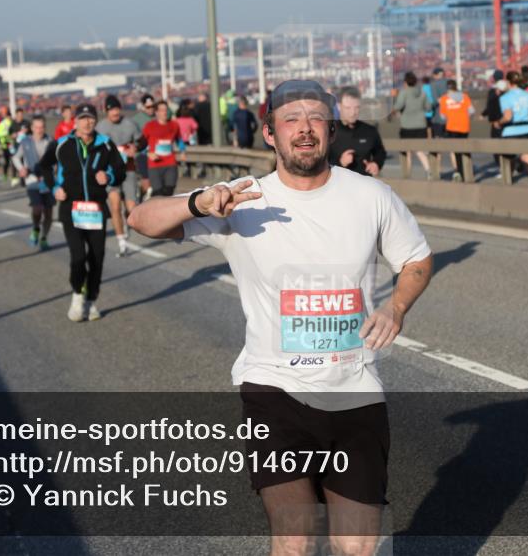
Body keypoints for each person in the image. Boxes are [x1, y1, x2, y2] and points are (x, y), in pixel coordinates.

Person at [126, 79, 433, 555]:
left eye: (315, 119)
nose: (304, 129)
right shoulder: (240, 200)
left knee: (358, 547)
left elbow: (415, 260)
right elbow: (139, 220)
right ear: (270, 134)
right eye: (291, 119)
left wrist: (396, 307)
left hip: (354, 389)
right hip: (273, 390)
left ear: (330, 131)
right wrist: (198, 202)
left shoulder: (372, 196)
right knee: (294, 539)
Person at [40, 102, 126, 322]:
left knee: (97, 258)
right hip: (71, 209)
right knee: (78, 257)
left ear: (95, 121)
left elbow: (120, 169)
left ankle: (91, 300)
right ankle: (77, 295)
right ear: (75, 121)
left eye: (91, 118)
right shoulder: (62, 144)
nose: (87, 122)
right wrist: (54, 188)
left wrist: (109, 177)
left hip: (96, 210)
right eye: (82, 118)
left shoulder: (105, 144)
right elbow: (43, 166)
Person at [96, 94, 139, 257]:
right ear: (106, 111)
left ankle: (128, 223)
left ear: (120, 109)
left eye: (116, 109)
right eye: (110, 110)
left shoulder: (130, 124)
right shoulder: (100, 128)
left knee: (131, 208)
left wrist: (135, 148)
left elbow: (141, 142)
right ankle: (122, 242)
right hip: (110, 173)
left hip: (128, 170)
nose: (114, 113)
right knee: (115, 207)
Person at [13, 114, 54, 251]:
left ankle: (44, 238)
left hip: (48, 182)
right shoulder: (25, 142)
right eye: (36, 127)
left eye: (42, 127)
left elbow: (57, 160)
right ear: (32, 128)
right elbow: (16, 158)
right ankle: (36, 227)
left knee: (48, 213)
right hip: (32, 180)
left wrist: (54, 173)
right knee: (37, 209)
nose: (39, 130)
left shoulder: (51, 141)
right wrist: (21, 169)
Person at [494, 71, 528, 187]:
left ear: (509, 83)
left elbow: (508, 116)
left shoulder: (505, 97)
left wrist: (498, 123)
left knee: (508, 162)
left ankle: (508, 187)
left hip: (511, 132)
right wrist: (524, 117)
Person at [328, 86, 386, 177]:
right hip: (339, 186)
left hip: (365, 186)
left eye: (356, 108)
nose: (353, 112)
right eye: (348, 108)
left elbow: (380, 152)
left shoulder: (369, 131)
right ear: (339, 106)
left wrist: (376, 163)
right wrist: (340, 163)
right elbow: (319, 163)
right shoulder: (328, 132)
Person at [140, 99, 182, 197]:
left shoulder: (174, 125)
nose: (165, 112)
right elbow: (140, 145)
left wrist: (183, 151)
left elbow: (179, 140)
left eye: (166, 109)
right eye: (162, 110)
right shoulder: (149, 126)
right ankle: (149, 199)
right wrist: (148, 153)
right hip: (154, 165)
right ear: (156, 112)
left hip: (170, 163)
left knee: (169, 191)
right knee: (158, 194)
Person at [393, 71, 431, 176]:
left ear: (405, 82)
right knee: (420, 150)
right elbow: (428, 107)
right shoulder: (422, 93)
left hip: (407, 126)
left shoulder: (404, 92)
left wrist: (394, 102)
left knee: (407, 152)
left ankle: (407, 174)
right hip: (421, 125)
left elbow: (398, 106)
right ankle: (429, 170)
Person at [437, 80, 474, 182]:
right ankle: (468, 171)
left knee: (456, 151)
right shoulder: (465, 97)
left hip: (452, 127)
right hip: (465, 127)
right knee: (465, 149)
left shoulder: (444, 99)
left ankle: (460, 171)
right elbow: (471, 111)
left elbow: (443, 117)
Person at [131, 94, 157, 202]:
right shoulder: (135, 120)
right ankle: (142, 196)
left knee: (157, 185)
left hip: (157, 155)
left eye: (152, 106)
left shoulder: (158, 117)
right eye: (148, 107)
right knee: (146, 183)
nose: (151, 109)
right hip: (142, 155)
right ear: (142, 107)